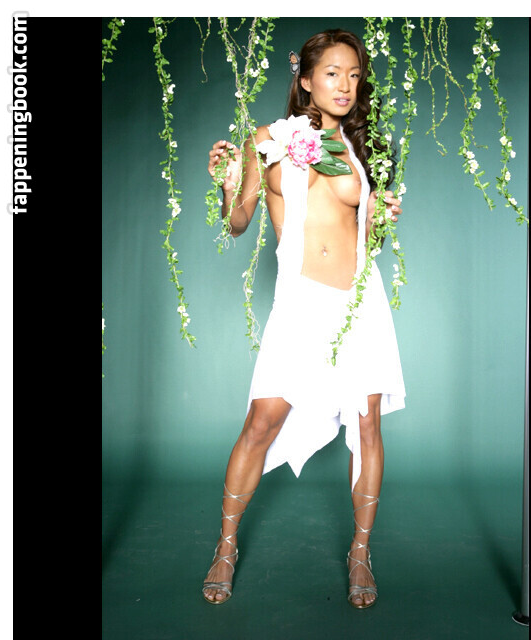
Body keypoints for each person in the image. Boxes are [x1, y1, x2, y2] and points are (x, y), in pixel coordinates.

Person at [202, 28, 406, 609]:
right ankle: (225, 545)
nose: (345, 85)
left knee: (367, 423)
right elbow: (238, 222)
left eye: (355, 75)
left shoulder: (366, 147)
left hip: (358, 303)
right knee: (262, 420)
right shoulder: (267, 140)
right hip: (300, 302)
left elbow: (367, 238)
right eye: (333, 73)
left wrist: (383, 216)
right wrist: (226, 185)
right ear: (307, 78)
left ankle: (361, 554)